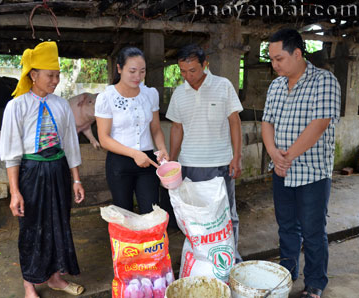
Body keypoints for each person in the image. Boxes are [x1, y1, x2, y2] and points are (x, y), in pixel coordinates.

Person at [0, 41, 85, 298]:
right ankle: (29, 284)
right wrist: (15, 192)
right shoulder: (17, 106)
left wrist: (76, 179)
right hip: (31, 173)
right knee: (32, 227)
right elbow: (12, 154)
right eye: (50, 75)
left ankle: (55, 278)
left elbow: (71, 144)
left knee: (59, 223)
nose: (56, 80)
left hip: (58, 169)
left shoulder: (61, 106)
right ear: (33, 75)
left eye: (58, 75)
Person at [261, 28, 341, 298]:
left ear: (297, 53)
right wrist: (273, 153)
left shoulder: (324, 81)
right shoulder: (276, 86)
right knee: (286, 227)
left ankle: (315, 283)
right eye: (271, 59)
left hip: (312, 173)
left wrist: (287, 157)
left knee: (313, 230)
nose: (274, 65)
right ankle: (287, 272)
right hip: (281, 170)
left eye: (279, 59)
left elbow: (319, 124)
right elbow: (267, 122)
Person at [166, 44, 244, 263]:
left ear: (205, 64)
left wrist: (236, 156)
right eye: (182, 71)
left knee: (227, 214)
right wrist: (172, 160)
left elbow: (234, 121)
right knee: (194, 217)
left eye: (192, 70)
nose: (187, 76)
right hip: (190, 164)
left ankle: (231, 260)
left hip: (220, 164)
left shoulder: (223, 85)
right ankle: (202, 260)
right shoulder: (179, 93)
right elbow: (176, 128)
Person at [95, 47, 168, 214]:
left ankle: (150, 241)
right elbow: (104, 138)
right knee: (124, 214)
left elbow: (155, 129)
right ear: (119, 69)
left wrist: (162, 148)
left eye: (142, 71)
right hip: (119, 163)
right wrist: (134, 154)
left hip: (148, 161)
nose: (138, 77)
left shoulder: (150, 94)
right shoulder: (106, 98)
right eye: (132, 71)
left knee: (151, 212)